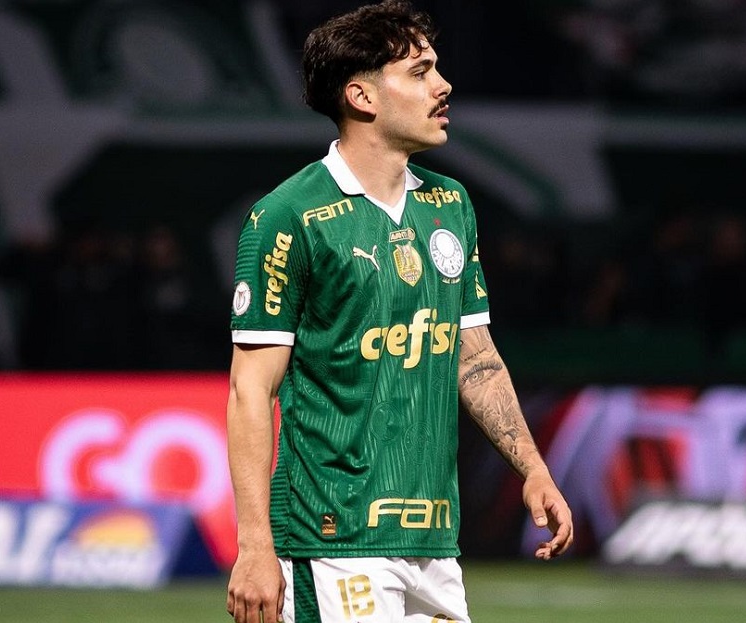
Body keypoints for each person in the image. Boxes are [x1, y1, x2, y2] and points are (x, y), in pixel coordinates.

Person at [224, 3, 574, 623]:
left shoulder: (450, 204)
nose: (443, 86)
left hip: (433, 541)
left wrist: (533, 468)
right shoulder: (287, 217)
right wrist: (255, 546)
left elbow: (475, 357)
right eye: (420, 72)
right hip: (331, 540)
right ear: (361, 96)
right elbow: (250, 389)